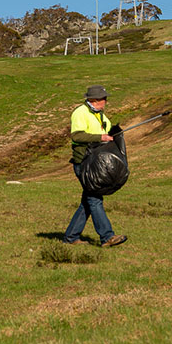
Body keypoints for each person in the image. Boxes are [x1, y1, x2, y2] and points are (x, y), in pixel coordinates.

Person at [63, 85, 128, 247]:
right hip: (84, 163)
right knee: (94, 199)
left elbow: (104, 132)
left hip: (95, 162)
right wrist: (100, 137)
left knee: (88, 200)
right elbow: (77, 135)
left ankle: (71, 237)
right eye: (103, 99)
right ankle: (107, 237)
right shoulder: (80, 113)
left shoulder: (100, 114)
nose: (106, 101)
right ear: (94, 100)